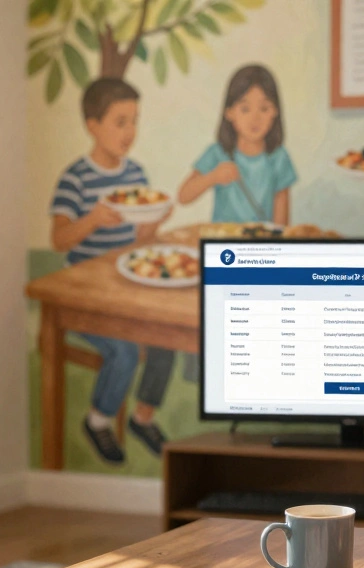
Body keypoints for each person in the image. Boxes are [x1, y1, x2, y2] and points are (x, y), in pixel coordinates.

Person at [49, 78, 173, 464]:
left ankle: (142, 417)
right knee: (124, 349)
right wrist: (92, 220)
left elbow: (138, 241)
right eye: (120, 122)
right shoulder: (75, 178)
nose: (129, 131)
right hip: (83, 295)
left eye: (134, 121)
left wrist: (156, 219)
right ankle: (98, 421)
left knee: (166, 336)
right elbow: (59, 239)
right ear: (93, 125)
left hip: (122, 288)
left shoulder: (135, 174)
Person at [178, 64, 296, 225]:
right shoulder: (218, 153)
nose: (255, 118)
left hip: (262, 239)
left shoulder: (278, 157)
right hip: (223, 238)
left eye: (264, 108)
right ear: (229, 112)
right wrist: (213, 177)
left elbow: (281, 221)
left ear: (275, 111)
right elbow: (183, 196)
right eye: (245, 109)